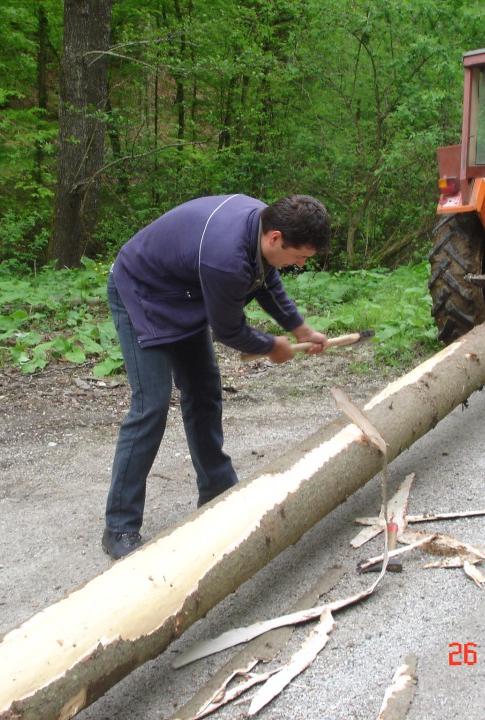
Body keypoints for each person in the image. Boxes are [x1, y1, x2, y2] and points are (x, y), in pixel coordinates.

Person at [102, 194, 331, 559]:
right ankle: (119, 526)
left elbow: (267, 282)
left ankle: (217, 494)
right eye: (299, 256)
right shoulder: (225, 258)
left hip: (184, 291)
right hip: (141, 292)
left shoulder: (262, 226)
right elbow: (228, 330)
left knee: (205, 393)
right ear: (275, 238)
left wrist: (299, 329)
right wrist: (273, 345)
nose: (300, 263)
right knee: (151, 405)